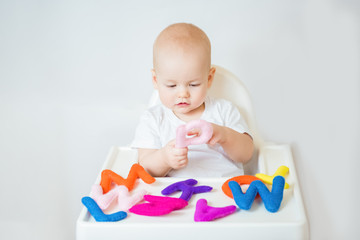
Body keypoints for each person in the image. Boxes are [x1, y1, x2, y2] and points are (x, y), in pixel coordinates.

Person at [131, 23, 254, 177]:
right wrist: (164, 159)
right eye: (171, 85)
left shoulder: (224, 111)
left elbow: (247, 154)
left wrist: (225, 135)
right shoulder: (153, 119)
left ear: (209, 78)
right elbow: (143, 167)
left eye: (193, 84)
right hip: (175, 195)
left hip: (226, 191)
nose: (183, 94)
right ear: (155, 80)